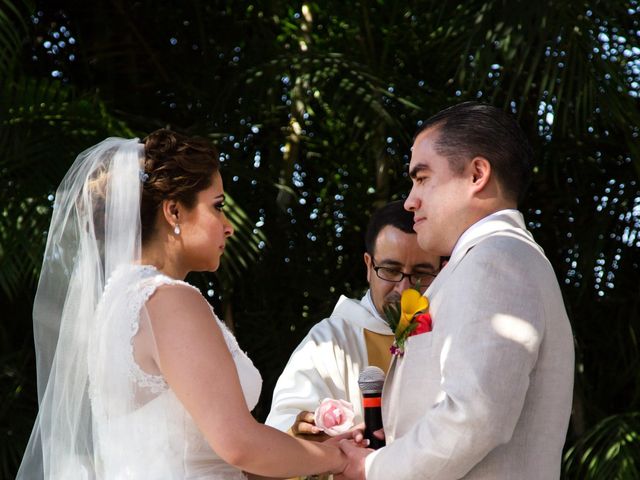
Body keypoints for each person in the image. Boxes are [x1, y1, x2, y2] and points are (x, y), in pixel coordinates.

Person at [17, 129, 354, 479]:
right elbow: (238, 444)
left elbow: (222, 456)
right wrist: (339, 459)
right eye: (218, 207)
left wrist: (300, 448)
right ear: (174, 211)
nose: (229, 227)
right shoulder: (168, 300)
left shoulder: (116, 305)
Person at [338, 102, 575, 479]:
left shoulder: (497, 260)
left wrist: (375, 468)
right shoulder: (492, 260)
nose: (410, 200)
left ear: (477, 174)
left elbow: (475, 413)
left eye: (422, 178)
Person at [266, 201, 441, 436]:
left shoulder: (448, 330)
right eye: (391, 270)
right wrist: (300, 433)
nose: (404, 289)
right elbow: (283, 426)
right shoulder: (329, 341)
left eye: (421, 274)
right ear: (369, 266)